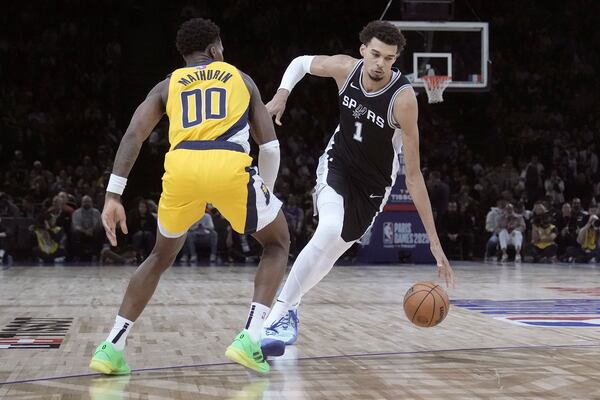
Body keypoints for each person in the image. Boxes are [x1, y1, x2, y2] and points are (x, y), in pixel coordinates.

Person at [89, 18, 289, 375]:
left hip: (181, 168)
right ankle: (250, 337)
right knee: (277, 243)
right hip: (229, 165)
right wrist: (265, 196)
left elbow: (134, 136)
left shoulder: (167, 85)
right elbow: (270, 147)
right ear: (214, 50)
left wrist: (113, 196)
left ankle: (111, 346)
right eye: (222, 48)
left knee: (160, 255)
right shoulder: (241, 78)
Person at [260, 20, 454, 354]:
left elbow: (414, 175)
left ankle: (290, 309)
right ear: (363, 50)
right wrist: (281, 94)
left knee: (332, 251)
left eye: (389, 58)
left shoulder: (403, 100)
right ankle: (272, 320)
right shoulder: (345, 69)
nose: (381, 63)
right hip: (338, 164)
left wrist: (435, 244)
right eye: (376, 54)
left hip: (374, 186)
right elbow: (301, 63)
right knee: (329, 229)